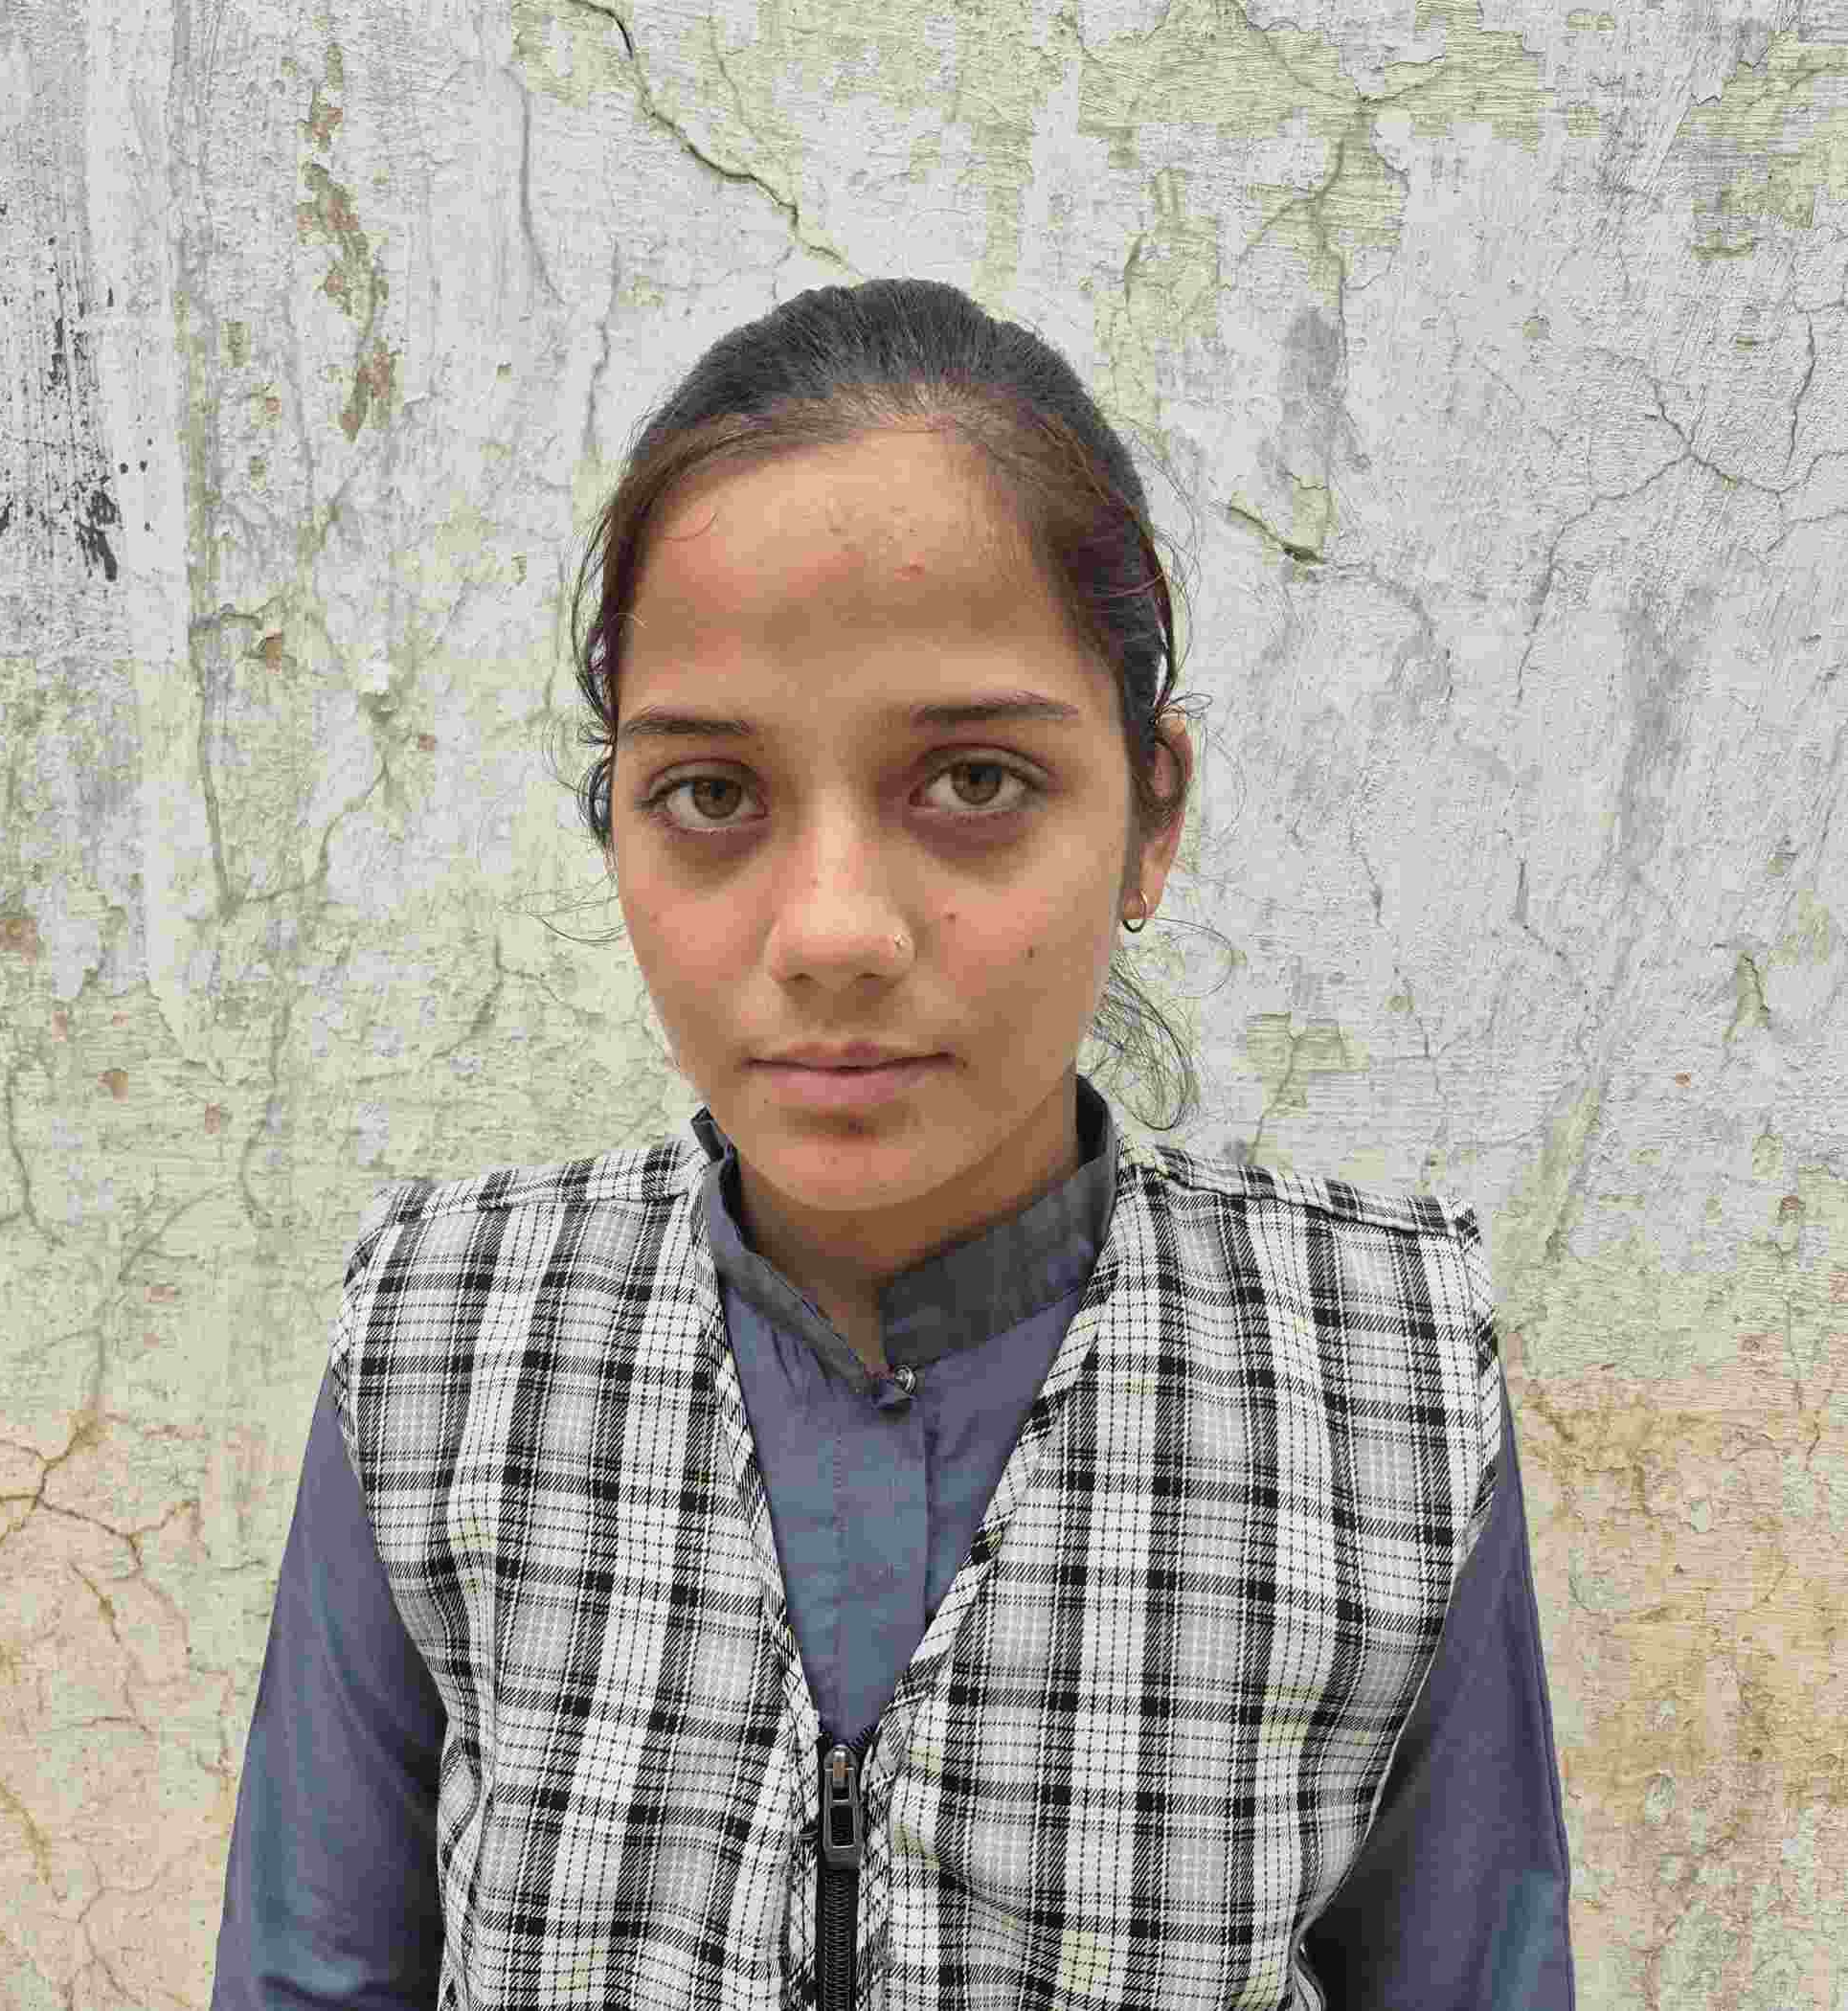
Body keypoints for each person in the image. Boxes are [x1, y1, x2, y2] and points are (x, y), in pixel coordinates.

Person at [210, 279, 1574, 2009]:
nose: (837, 932)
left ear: (1150, 814)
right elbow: (308, 1971)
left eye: (975, 782)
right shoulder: (443, 1347)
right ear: (617, 818)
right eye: (713, 795)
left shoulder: (1381, 1382)